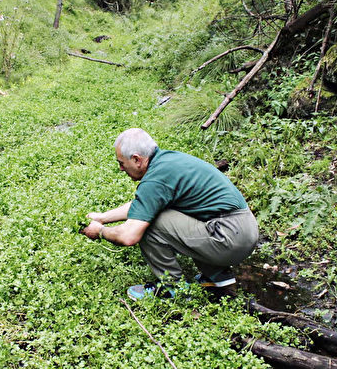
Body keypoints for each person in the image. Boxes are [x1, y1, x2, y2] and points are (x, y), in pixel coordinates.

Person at [81, 128, 259, 300]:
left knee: (151, 223)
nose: (121, 168)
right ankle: (217, 277)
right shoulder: (167, 161)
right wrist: (102, 217)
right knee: (157, 213)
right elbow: (144, 204)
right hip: (242, 229)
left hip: (229, 236)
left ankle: (172, 289)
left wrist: (100, 231)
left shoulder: (157, 178)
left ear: (137, 159)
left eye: (121, 163)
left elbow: (129, 236)